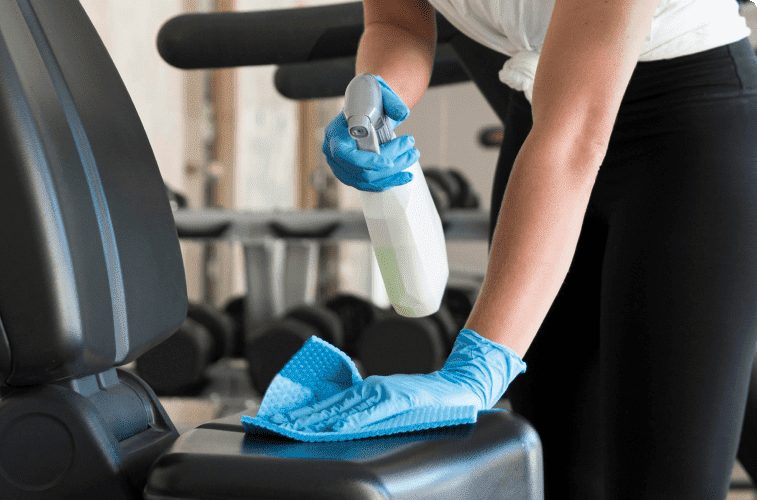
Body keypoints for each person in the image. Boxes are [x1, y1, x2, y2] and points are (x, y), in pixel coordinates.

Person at [298, 0, 757, 497]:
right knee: (557, 474)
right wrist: (376, 91)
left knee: (662, 484)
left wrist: (475, 370)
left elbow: (577, 135)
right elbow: (398, 21)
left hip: (688, 137)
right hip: (543, 114)